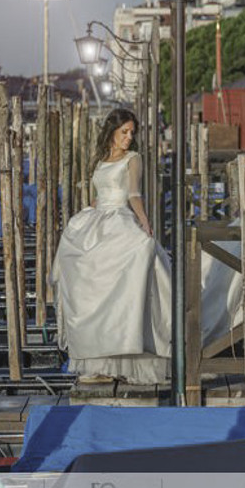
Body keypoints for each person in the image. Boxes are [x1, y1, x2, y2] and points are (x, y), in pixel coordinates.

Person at [51, 108, 171, 385]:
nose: (129, 137)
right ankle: (98, 357)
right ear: (112, 132)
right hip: (99, 217)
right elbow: (99, 196)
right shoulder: (101, 159)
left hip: (120, 217)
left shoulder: (133, 158)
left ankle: (129, 349)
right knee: (88, 276)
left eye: (132, 133)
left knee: (135, 258)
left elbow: (134, 195)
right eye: (124, 132)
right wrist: (84, 216)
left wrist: (145, 224)